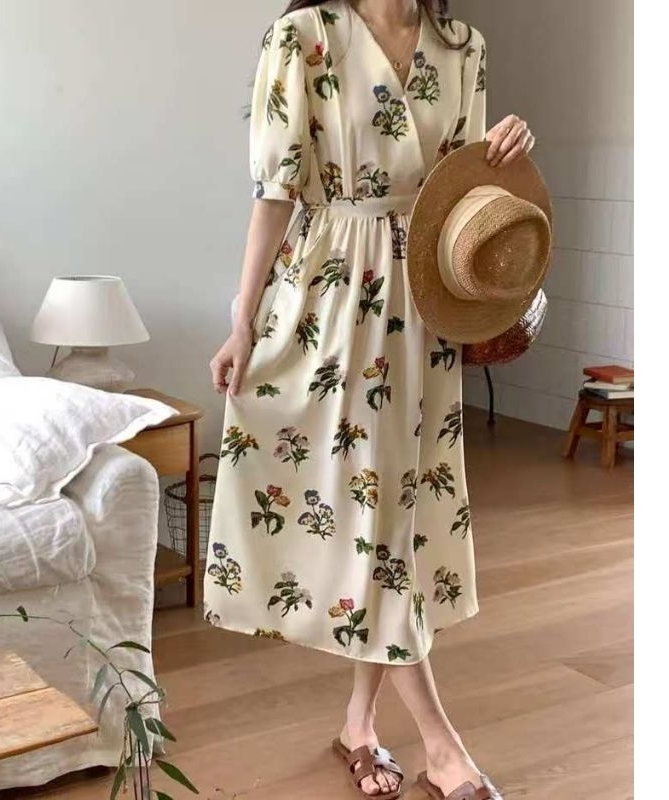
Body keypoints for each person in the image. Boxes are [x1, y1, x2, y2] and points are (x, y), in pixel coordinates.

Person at [206, 1, 534, 797]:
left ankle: (360, 722)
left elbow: (465, 192)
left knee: (394, 522)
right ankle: (443, 747)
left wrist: (507, 152)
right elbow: (275, 193)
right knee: (374, 519)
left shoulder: (463, 47)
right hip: (327, 302)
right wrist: (242, 321)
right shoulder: (305, 38)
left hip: (424, 300)